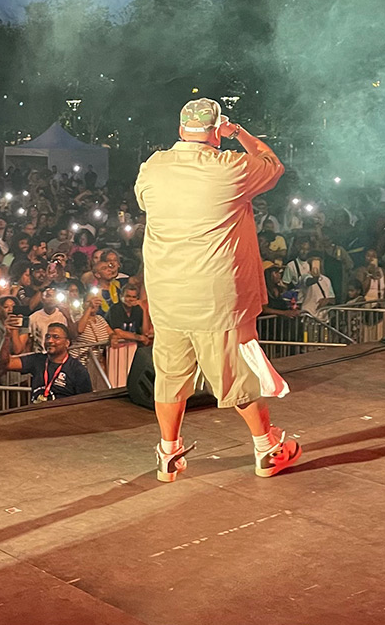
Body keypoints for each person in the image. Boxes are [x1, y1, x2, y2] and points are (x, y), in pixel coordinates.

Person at [134, 98, 299, 482]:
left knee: (170, 376)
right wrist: (238, 132)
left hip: (167, 295)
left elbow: (145, 202)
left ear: (180, 129)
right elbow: (274, 165)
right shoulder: (230, 167)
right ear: (215, 131)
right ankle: (267, 449)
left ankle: (168, 454)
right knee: (238, 375)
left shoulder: (153, 167)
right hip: (216, 297)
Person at [0, 321, 91, 401]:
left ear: (67, 343)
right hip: (37, 415)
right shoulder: (37, 360)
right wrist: (7, 337)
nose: (50, 340)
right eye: (47, 336)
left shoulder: (77, 369)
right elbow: (6, 364)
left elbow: (85, 402)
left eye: (56, 337)